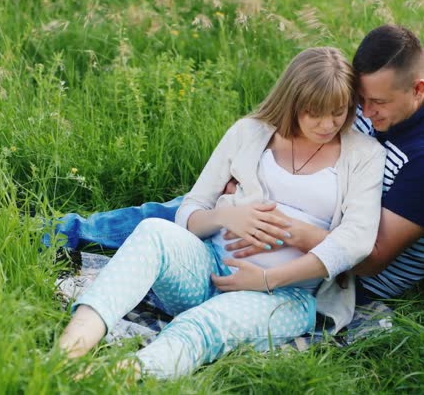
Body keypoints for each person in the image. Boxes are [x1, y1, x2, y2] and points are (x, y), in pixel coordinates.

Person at [57, 47, 385, 379]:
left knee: (203, 324)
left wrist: (268, 278)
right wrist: (227, 218)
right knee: (153, 230)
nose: (328, 124)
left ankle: (113, 378)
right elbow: (191, 210)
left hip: (288, 295)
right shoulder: (250, 132)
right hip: (210, 268)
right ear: (294, 102)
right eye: (315, 112)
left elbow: (355, 241)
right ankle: (68, 352)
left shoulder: (364, 155)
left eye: (338, 112)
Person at [48, 24, 424, 304]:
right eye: (358, 99)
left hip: (339, 275)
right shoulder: (366, 107)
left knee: (203, 213)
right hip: (289, 207)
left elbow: (369, 258)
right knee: (192, 207)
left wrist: (280, 226)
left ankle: (75, 245)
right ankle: (57, 233)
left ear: (418, 89)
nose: (364, 111)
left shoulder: (420, 159)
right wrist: (246, 188)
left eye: (377, 102)